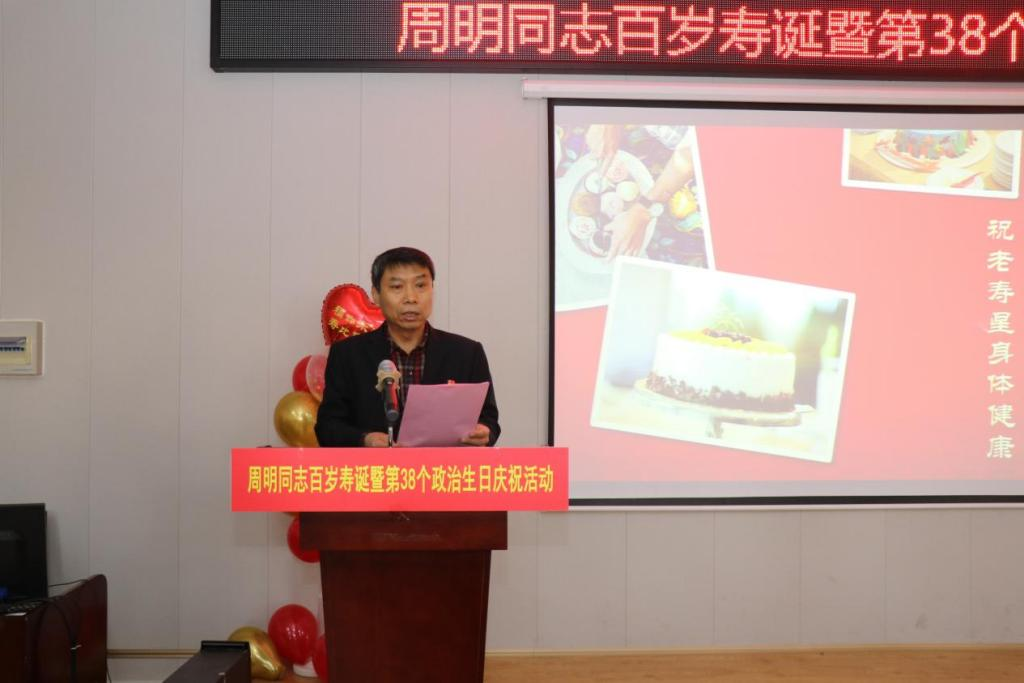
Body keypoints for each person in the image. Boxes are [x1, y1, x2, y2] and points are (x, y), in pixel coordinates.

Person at [314, 247, 500, 448]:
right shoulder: (347, 355)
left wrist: (484, 431)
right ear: (376, 295)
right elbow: (327, 427)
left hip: (442, 467)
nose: (411, 298)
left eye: (420, 285)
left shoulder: (467, 353)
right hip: (376, 467)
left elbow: (489, 419)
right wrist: (365, 439)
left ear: (432, 290)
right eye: (397, 287)